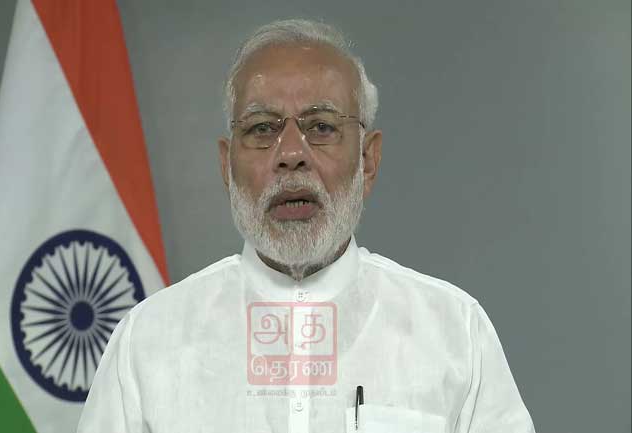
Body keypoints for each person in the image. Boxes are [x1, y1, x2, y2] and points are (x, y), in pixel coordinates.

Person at [77, 19, 535, 433]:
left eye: (321, 127)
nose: (291, 154)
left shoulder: (454, 333)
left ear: (368, 160)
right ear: (226, 166)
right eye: (262, 128)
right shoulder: (148, 341)